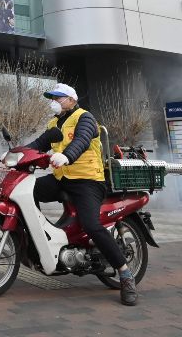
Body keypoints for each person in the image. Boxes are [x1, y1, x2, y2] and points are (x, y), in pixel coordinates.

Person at [26, 83, 138, 306]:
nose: (54, 102)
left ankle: (125, 274)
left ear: (71, 99)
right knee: (27, 192)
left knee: (91, 225)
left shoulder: (85, 118)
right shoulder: (54, 123)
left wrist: (67, 156)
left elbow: (82, 140)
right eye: (52, 98)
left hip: (88, 181)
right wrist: (15, 154)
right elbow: (38, 144)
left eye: (58, 98)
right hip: (62, 179)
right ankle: (42, 241)